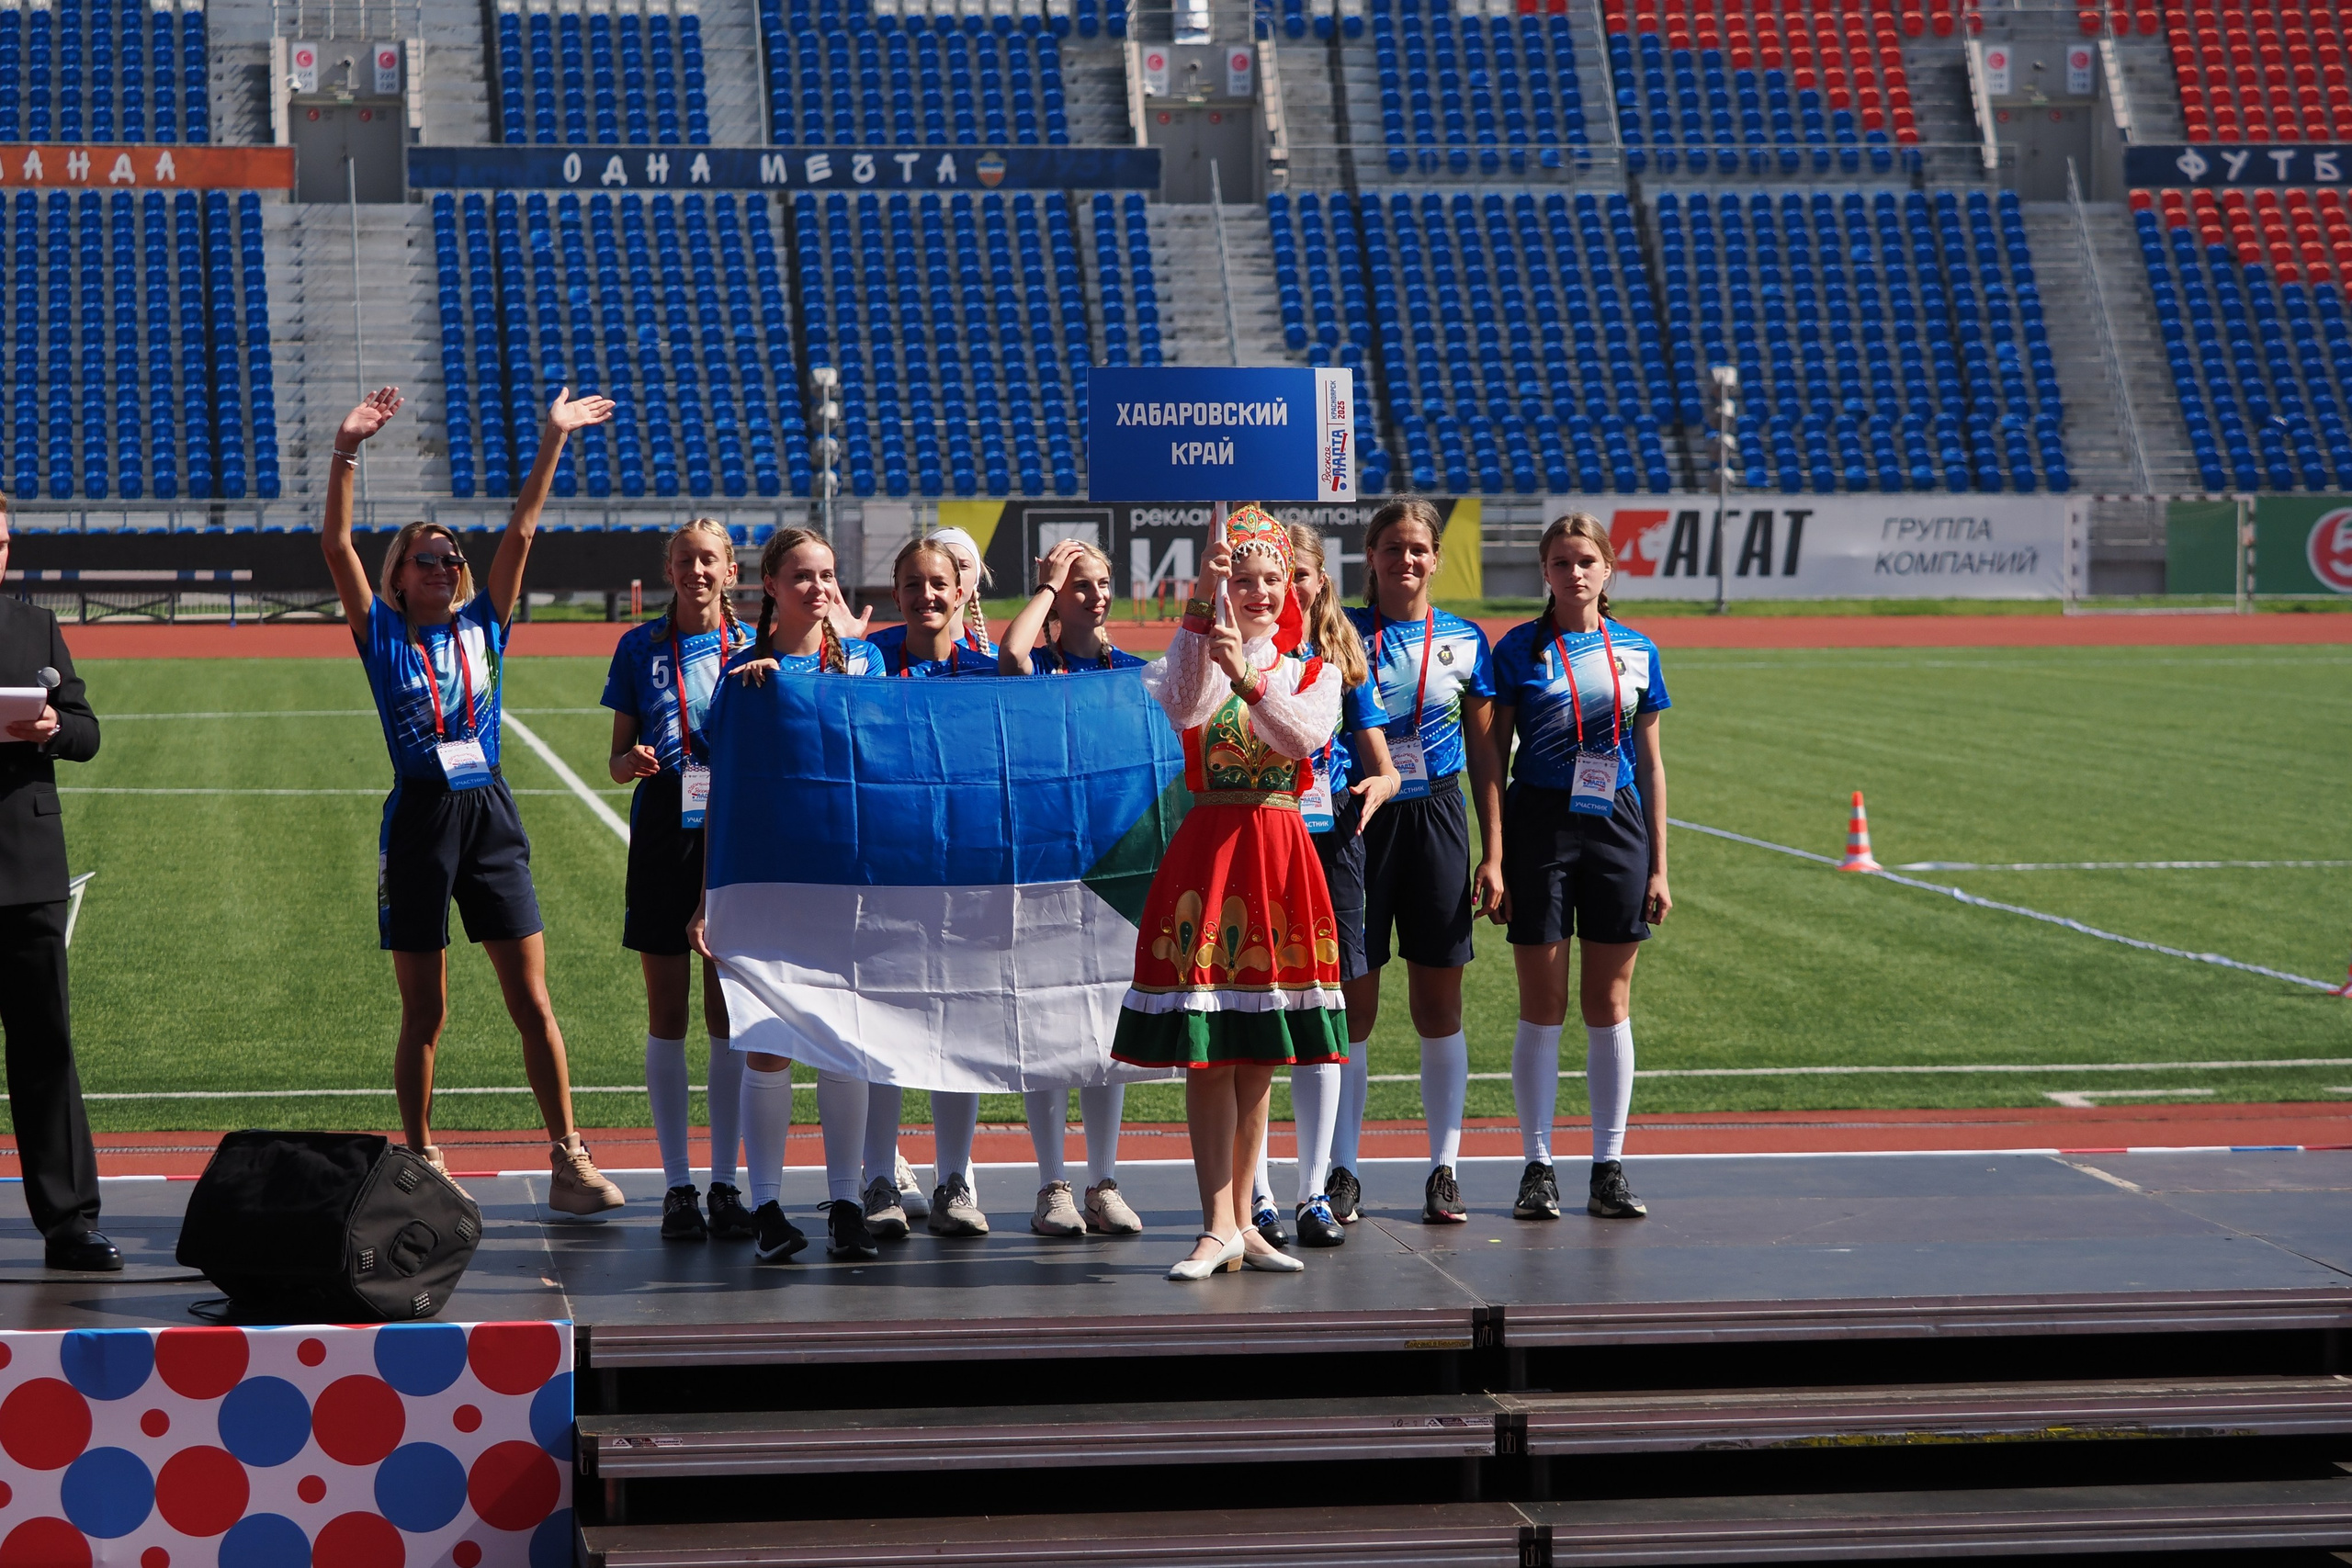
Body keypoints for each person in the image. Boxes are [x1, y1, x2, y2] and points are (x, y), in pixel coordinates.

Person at [322, 386, 627, 1216]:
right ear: (400, 576)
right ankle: (420, 1158)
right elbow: (336, 542)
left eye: (452, 556)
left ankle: (568, 1156)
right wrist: (347, 448)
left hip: (489, 811)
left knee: (532, 997)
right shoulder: (381, 633)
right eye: (428, 557)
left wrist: (553, 439)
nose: (446, 565)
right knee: (427, 1009)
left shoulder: (486, 623)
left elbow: (523, 529)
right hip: (421, 818)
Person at [1111, 503, 1345, 1282]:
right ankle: (1216, 1224)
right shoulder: (1203, 657)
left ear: (1295, 588)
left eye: (1271, 580)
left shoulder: (1316, 668)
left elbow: (1302, 737)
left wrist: (1249, 673)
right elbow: (1181, 703)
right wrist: (1196, 611)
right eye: (1242, 580)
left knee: (1258, 1057)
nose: (1258, 593)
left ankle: (1245, 1222)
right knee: (1211, 1057)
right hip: (1210, 859)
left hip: (1279, 861)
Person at [704, 526, 888, 1264]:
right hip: (771, 877)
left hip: (850, 874)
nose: (818, 588)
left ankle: (847, 1203)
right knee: (770, 1046)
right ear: (770, 587)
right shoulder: (743, 675)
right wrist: (706, 896)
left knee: (845, 1045)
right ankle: (769, 1206)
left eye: (828, 575)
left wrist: (839, 664)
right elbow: (721, 797)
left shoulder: (866, 662)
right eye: (803, 576)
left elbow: (887, 748)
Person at [1487, 514, 1671, 1223]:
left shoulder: (1638, 651)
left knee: (1610, 1003)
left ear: (1608, 568)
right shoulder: (1519, 651)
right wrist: (1496, 853)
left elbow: (1653, 765)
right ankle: (1537, 1167)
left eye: (1586, 560)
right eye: (1561, 562)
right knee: (1544, 1004)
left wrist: (1660, 865)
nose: (1575, 573)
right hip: (1539, 824)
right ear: (1545, 570)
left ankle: (1609, 1166)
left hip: (1618, 824)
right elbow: (1493, 761)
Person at [1335, 499, 1502, 1226]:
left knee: (1439, 1007)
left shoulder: (1467, 641)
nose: (1406, 559)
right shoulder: (1335, 631)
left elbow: (1490, 756)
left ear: (1436, 558)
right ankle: (1340, 1169)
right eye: (1393, 547)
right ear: (1370, 555)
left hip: (1438, 814)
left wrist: (1496, 851)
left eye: (1419, 549)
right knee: (1353, 1008)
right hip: (1358, 820)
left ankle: (1444, 1169)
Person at [603, 519, 756, 1243]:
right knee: (668, 1010)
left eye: (709, 560)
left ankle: (726, 1182)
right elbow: (614, 759)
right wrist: (628, 761)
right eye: (685, 559)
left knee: (728, 1011)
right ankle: (676, 1185)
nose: (697, 570)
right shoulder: (638, 646)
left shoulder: (757, 648)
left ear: (731, 569)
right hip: (664, 822)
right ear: (668, 566)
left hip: (734, 820)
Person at [1247, 522, 1398, 1250]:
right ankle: (1259, 1193)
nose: (1291, 588)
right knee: (1256, 1006)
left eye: (1301, 575)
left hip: (1331, 840)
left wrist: (1386, 778)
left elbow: (1382, 758)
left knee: (1323, 1010)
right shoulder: (1247, 654)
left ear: (1318, 583)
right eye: (1280, 575)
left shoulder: (1339, 657)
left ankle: (1313, 1191)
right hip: (1259, 835)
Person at [993, 536, 1148, 1239]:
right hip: (1049, 863)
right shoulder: (1043, 662)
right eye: (1082, 584)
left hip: (1118, 867)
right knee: (1052, 1025)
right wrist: (1049, 587)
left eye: (1103, 582)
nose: (1098, 594)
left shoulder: (1135, 671)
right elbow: (1011, 655)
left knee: (1110, 1031)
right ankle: (1051, 1183)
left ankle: (1103, 1180)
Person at [859, 536, 996, 1244]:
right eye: (913, 584)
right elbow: (805, 672)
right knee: (884, 1025)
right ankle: (878, 1176)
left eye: (938, 583)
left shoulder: (986, 670)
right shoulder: (869, 660)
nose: (927, 596)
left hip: (963, 873)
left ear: (961, 589)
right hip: (884, 870)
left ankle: (954, 1179)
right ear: (897, 590)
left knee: (956, 1026)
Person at [0, 499, 116, 1272]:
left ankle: (69, 1221)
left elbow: (86, 729)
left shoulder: (33, 626)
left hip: (28, 865)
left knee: (46, 1046)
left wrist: (52, 730)